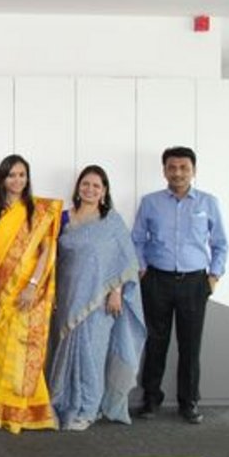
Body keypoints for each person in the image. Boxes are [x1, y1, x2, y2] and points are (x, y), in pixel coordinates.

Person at [132, 146, 227, 424]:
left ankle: (189, 402)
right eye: (172, 167)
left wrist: (213, 277)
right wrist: (142, 269)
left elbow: (221, 244)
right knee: (155, 343)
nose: (178, 173)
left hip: (195, 283)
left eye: (184, 167)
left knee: (190, 346)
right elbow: (137, 239)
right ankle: (151, 399)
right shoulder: (150, 202)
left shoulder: (208, 203)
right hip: (157, 281)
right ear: (164, 171)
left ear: (193, 171)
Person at [49, 165, 146, 431]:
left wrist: (116, 292)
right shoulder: (63, 218)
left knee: (92, 355)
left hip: (100, 302)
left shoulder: (111, 222)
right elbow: (51, 257)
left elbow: (125, 261)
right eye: (85, 184)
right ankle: (63, 403)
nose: (90, 189)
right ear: (78, 187)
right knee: (65, 354)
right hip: (68, 298)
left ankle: (88, 410)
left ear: (104, 192)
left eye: (96, 186)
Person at [0, 154, 61, 434]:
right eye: (11, 175)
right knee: (0, 353)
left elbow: (46, 251)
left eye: (22, 175)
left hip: (26, 294)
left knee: (23, 353)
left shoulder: (39, 211)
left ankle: (22, 413)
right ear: (2, 179)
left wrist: (33, 285)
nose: (17, 180)